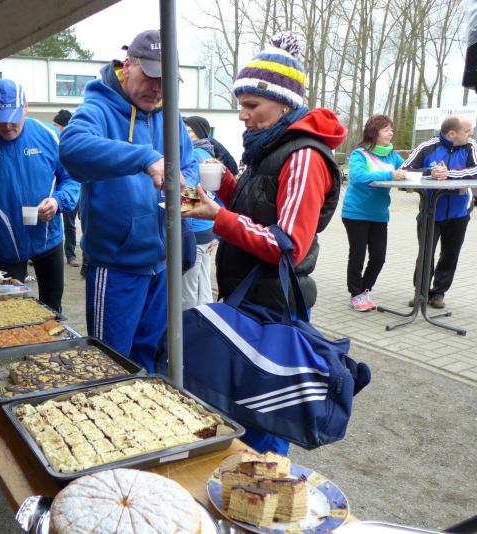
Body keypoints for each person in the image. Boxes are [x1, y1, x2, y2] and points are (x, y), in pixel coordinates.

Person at [183, 31, 346, 454]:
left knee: (265, 419)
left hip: (274, 305)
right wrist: (227, 184)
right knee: (243, 409)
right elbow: (260, 209)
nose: (242, 115)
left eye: (252, 105)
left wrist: (218, 217)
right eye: (240, 104)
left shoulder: (304, 156)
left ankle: (268, 486)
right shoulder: (268, 148)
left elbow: (287, 245)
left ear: (284, 103)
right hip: (251, 297)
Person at [59, 29, 196, 372]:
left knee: (151, 360)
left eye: (166, 81)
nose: (158, 89)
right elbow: (72, 148)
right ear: (128, 65)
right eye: (151, 76)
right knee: (111, 365)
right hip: (116, 266)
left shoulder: (170, 114)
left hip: (162, 263)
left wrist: (188, 191)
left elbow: (188, 164)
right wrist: (145, 157)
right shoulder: (99, 106)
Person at [0, 80, 78, 312]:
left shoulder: (49, 135)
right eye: (0, 118)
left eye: (13, 117)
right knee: (10, 311)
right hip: (7, 247)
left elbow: (72, 178)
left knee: (52, 307)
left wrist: (58, 201)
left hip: (48, 239)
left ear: (26, 107)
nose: (7, 124)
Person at [400, 115, 477, 309]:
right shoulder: (427, 146)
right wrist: (430, 173)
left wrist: (449, 174)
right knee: (426, 253)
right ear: (452, 133)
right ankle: (421, 292)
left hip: (459, 213)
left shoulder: (471, 147)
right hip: (430, 212)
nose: (471, 134)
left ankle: (438, 293)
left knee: (450, 254)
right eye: (467, 131)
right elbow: (404, 170)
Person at [341, 115, 405, 312]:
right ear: (373, 132)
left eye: (391, 129)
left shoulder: (392, 155)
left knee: (378, 257)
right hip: (356, 213)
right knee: (358, 255)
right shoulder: (360, 154)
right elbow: (358, 176)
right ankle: (355, 294)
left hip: (379, 214)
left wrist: (432, 171)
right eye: (386, 129)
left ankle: (364, 291)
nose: (391, 133)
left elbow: (407, 169)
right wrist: (390, 174)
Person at [181, 115, 234, 309]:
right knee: (203, 286)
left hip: (194, 230)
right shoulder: (209, 155)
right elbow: (219, 196)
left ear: (199, 133)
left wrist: (179, 217)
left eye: (188, 131)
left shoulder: (194, 155)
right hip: (208, 231)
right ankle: (206, 321)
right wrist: (217, 234)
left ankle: (186, 325)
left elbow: (189, 196)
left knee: (186, 289)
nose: (183, 134)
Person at [51, 109, 81, 267]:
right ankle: (67, 254)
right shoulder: (54, 142)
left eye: (55, 125)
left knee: (76, 225)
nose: (53, 127)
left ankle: (73, 256)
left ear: (63, 126)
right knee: (63, 223)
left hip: (78, 189)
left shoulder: (76, 142)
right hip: (61, 191)